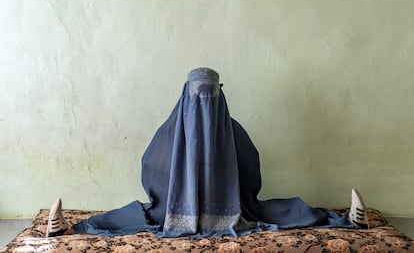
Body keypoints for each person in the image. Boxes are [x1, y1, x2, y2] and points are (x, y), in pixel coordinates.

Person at [46, 68, 369, 238]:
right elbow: (153, 170)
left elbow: (250, 174)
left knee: (275, 212)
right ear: (186, 96)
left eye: (209, 95)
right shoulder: (170, 132)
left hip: (232, 206)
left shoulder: (232, 131)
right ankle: (63, 229)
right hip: (174, 209)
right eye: (197, 94)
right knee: (139, 215)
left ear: (220, 96)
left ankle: (349, 221)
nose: (203, 101)